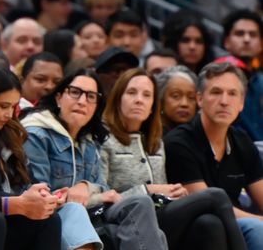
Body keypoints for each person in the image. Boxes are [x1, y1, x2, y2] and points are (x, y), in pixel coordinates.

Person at [22, 68, 168, 250]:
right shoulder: (37, 134)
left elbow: (103, 187)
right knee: (77, 211)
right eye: (75, 92)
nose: (82, 101)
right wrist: (88, 194)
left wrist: (86, 186)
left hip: (93, 213)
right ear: (59, 98)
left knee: (141, 204)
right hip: (53, 217)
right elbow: (38, 196)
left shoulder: (89, 141)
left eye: (91, 96)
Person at [101, 68, 247, 250]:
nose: (139, 100)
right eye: (131, 93)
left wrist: (175, 193)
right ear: (117, 98)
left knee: (209, 224)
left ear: (153, 105)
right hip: (125, 218)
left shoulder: (156, 142)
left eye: (147, 95)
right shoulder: (104, 140)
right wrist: (147, 190)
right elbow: (102, 198)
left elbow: (163, 193)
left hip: (160, 214)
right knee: (215, 196)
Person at [165, 62, 263, 250]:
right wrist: (260, 221)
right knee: (255, 229)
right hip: (199, 229)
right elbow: (212, 204)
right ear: (200, 99)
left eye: (232, 93)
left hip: (238, 225)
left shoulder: (242, 140)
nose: (224, 101)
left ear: (241, 103)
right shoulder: (178, 143)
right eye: (216, 92)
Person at [0, 65, 62, 249]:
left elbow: (27, 183)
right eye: (4, 106)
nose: (10, 114)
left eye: (15, 107)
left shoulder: (12, 135)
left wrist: (44, 196)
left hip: (6, 208)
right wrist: (18, 203)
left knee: (51, 217)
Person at [221, 10, 263, 142]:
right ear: (226, 41)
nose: (246, 39)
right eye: (240, 33)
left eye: (253, 34)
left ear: (261, 44)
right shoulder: (214, 79)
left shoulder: (261, 82)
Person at [155, 65, 198, 133]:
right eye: (176, 96)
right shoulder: (150, 134)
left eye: (191, 97)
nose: (184, 104)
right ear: (161, 99)